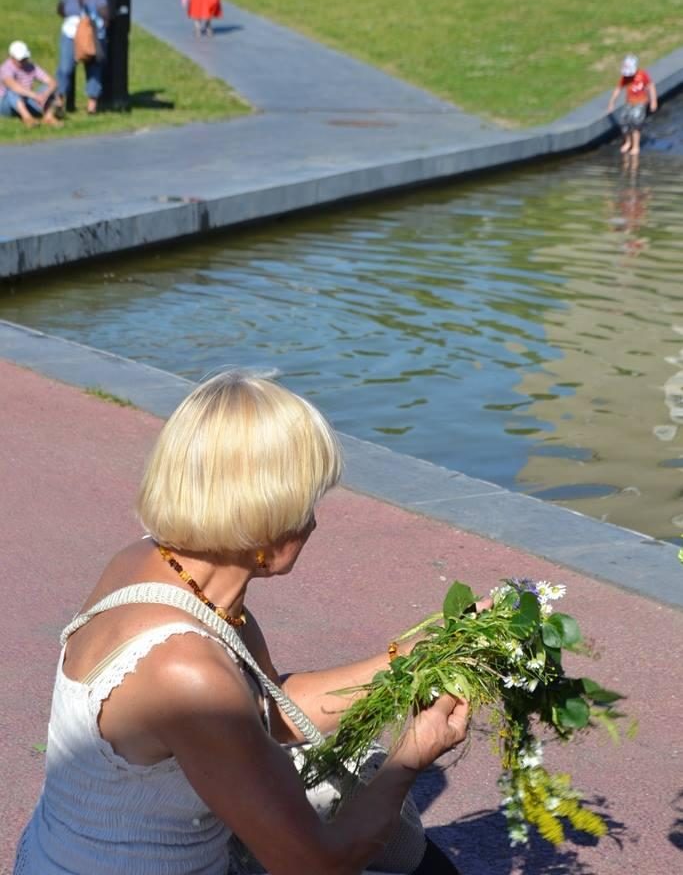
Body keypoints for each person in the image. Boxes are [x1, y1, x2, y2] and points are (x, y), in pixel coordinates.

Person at [13, 371, 471, 875]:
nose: (314, 522)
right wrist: (413, 756)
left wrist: (409, 660)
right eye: (307, 504)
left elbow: (264, 709)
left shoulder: (158, 566)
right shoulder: (184, 668)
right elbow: (314, 863)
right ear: (263, 518)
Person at [55, 0, 109, 116]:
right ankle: (59, 100)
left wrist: (90, 12)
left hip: (91, 36)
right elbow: (60, 10)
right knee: (65, 68)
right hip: (70, 34)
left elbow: (106, 15)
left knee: (93, 68)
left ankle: (92, 104)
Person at [0, 40, 61, 129]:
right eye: (20, 59)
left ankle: (48, 117)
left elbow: (52, 82)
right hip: (6, 105)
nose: (23, 61)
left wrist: (46, 94)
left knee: (49, 88)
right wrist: (35, 96)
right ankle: (27, 118)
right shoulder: (5, 68)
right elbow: (13, 86)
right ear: (11, 57)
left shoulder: (31, 67)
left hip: (27, 101)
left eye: (25, 59)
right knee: (12, 91)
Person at [607, 53, 658, 157]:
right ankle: (628, 142)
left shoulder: (642, 75)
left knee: (635, 122)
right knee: (624, 122)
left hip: (641, 102)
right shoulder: (625, 77)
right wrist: (612, 102)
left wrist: (653, 101)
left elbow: (650, 86)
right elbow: (618, 89)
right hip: (629, 102)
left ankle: (636, 146)